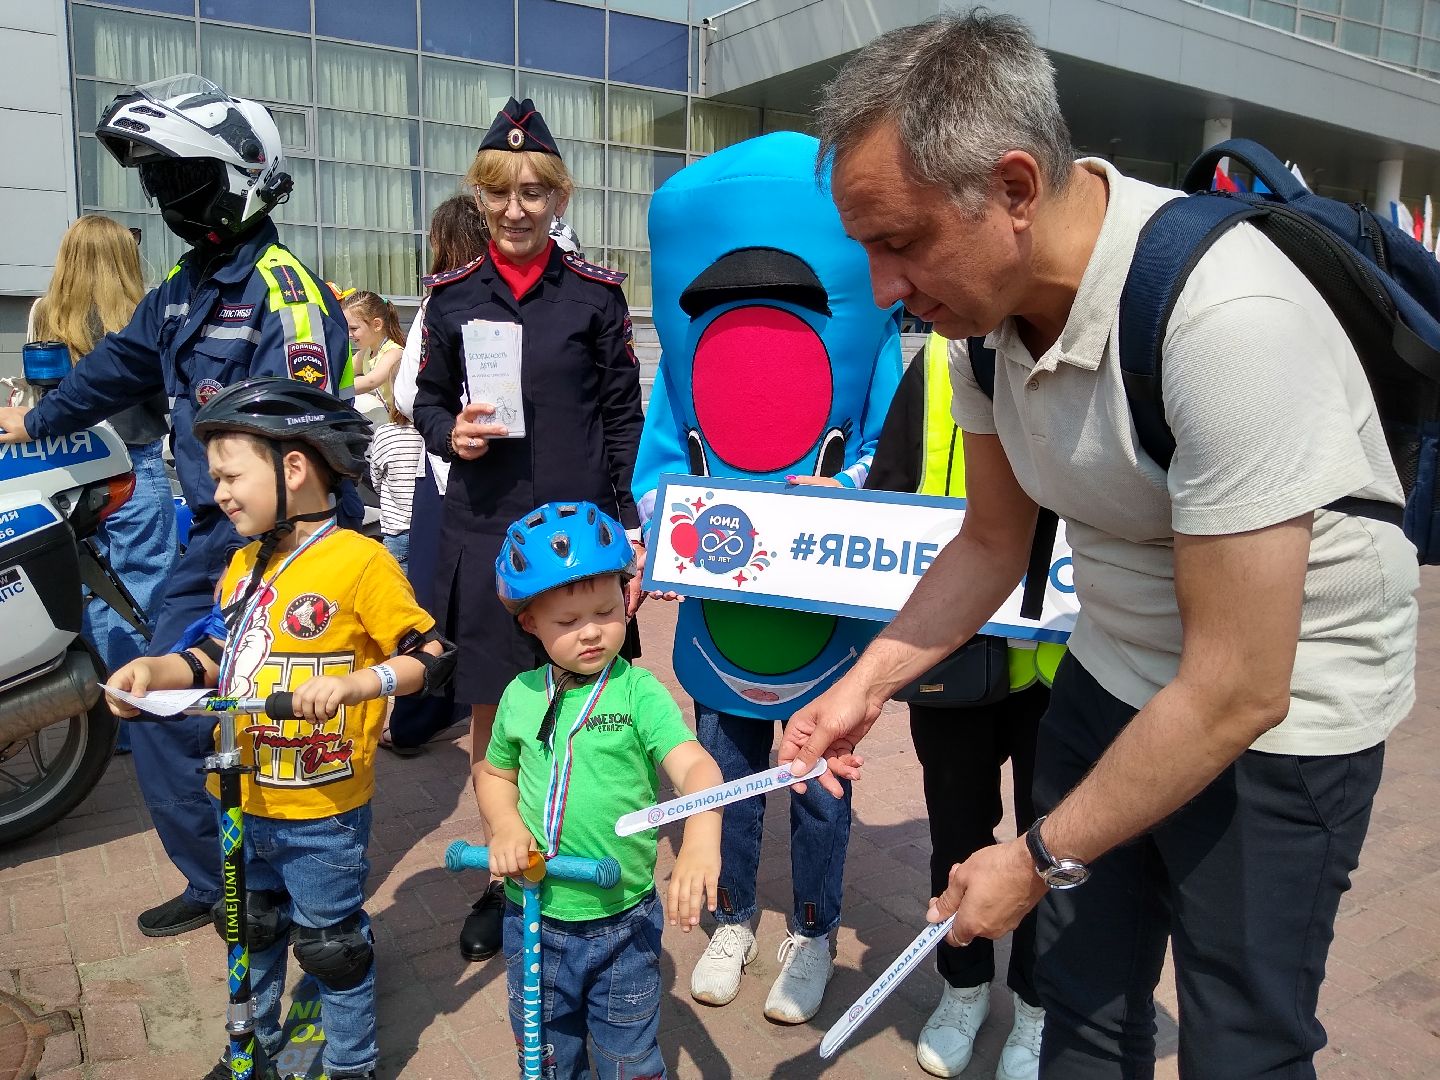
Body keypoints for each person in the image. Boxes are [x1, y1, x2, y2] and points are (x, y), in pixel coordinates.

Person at [780, 12, 1418, 1080]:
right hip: (1113, 668)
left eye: (902, 240)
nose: (886, 288)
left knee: (1240, 1043)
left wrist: (1033, 858)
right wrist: (868, 683)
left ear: (1017, 189)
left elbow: (1234, 690)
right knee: (1079, 1002)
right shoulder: (979, 334)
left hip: (1282, 721)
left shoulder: (1227, 321)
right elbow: (992, 542)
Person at [0, 74, 355, 939]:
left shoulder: (285, 294)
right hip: (207, 536)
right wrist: (30, 423)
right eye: (157, 181)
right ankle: (226, 883)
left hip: (283, 544)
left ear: (239, 177)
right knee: (158, 707)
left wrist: (283, 555)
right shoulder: (181, 286)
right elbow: (114, 367)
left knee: (276, 721)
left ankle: (295, 894)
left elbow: (310, 443)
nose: (164, 197)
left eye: (181, 179)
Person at [104, 377, 451, 1080]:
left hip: (321, 809)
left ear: (293, 468)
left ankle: (352, 1064)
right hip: (242, 797)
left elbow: (429, 656)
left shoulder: (360, 562)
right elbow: (217, 658)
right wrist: (155, 673)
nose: (219, 493)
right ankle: (250, 1048)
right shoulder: (240, 566)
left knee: (331, 946)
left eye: (231, 476)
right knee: (252, 927)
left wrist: (359, 683)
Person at [633, 132, 902, 1025]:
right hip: (723, 600)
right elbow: (659, 465)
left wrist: (848, 489)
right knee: (727, 765)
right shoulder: (682, 364)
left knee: (819, 779)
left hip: (826, 598)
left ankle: (817, 928)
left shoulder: (877, 344)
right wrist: (662, 536)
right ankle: (734, 916)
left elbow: (887, 449)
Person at [413, 97, 646, 965]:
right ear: (480, 197)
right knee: (497, 713)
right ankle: (505, 876)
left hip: (581, 546)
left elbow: (624, 416)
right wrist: (450, 433)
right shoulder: (449, 300)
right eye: (501, 193)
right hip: (485, 532)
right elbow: (426, 401)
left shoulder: (595, 297)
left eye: (535, 192)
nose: (517, 209)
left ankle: (601, 865)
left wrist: (629, 530)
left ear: (559, 198)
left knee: (588, 704)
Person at [864, 335, 1053, 1080]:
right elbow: (890, 488)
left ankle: (1039, 1010)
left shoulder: (1091, 341)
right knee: (957, 830)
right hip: (955, 657)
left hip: (1062, 667)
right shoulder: (943, 356)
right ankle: (964, 989)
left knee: (1053, 847)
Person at [480, 500, 722, 1079]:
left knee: (626, 1059)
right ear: (529, 623)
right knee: (544, 1053)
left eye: (608, 611)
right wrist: (506, 826)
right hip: (532, 913)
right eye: (567, 622)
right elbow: (495, 775)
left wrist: (700, 838)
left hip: (621, 922)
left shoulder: (638, 693)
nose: (591, 631)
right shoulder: (518, 696)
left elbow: (697, 769)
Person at [28, 214, 179, 754]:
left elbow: (42, 396)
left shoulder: (46, 315)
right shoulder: (144, 311)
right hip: (135, 461)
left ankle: (104, 714)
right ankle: (142, 708)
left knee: (90, 589)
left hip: (68, 471)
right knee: (146, 589)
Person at [382, 195, 490, 757]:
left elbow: (407, 395)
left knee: (431, 598)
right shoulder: (511, 296)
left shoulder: (440, 303)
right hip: (504, 476)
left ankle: (418, 714)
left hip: (445, 473)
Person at [368, 398, 424, 572]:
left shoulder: (385, 433)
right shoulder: (435, 433)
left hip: (396, 530)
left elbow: (375, 479)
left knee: (399, 592)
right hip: (428, 527)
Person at [344, 290, 405, 426]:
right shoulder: (366, 353)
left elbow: (371, 381)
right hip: (384, 424)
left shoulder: (394, 352)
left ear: (377, 325)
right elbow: (344, 371)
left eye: (354, 328)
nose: (349, 334)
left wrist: (332, 389)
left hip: (401, 427)